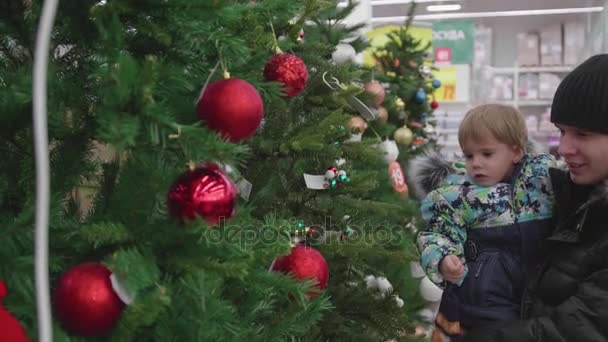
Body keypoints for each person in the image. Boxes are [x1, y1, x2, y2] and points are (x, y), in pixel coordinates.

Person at [462, 54, 608, 342]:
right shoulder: (571, 198)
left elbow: (580, 328)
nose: (564, 147)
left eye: (582, 133)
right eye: (561, 131)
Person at [410, 104, 556, 341]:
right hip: (478, 305)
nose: (476, 163)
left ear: (517, 152)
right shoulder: (458, 196)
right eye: (469, 155)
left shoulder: (541, 183)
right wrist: (444, 259)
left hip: (535, 298)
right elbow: (436, 234)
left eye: (487, 154)